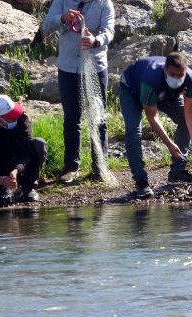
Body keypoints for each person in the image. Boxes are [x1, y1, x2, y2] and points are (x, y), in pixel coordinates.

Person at [42, 0, 115, 183]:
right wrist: (62, 18)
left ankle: (100, 165)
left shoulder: (104, 3)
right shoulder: (61, 1)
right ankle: (71, 167)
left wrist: (95, 40)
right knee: (71, 117)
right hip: (68, 67)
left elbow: (109, 31)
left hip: (96, 67)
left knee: (97, 117)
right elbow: (47, 25)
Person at [119, 52, 192, 198]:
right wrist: (170, 145)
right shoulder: (151, 79)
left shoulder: (190, 78)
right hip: (132, 89)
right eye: (172, 74)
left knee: (184, 120)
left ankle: (177, 172)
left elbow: (190, 112)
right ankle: (141, 180)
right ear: (165, 69)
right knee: (134, 130)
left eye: (180, 75)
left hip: (164, 93)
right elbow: (152, 117)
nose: (176, 78)